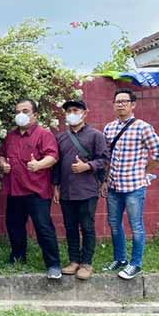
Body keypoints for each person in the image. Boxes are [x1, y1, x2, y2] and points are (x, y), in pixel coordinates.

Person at [103, 88, 159, 280]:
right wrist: (105, 180)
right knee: (114, 224)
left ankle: (135, 264)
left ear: (133, 105)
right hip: (113, 185)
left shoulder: (143, 127)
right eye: (117, 102)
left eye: (124, 101)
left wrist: (145, 171)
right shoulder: (109, 128)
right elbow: (106, 157)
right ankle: (120, 259)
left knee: (136, 225)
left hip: (134, 187)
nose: (120, 104)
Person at [0, 98, 62, 279]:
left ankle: (53, 264)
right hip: (14, 190)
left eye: (25, 111)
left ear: (35, 115)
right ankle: (18, 256)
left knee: (43, 227)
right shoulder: (11, 136)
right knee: (14, 225)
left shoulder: (43, 134)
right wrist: (3, 164)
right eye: (18, 111)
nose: (21, 115)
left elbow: (53, 156)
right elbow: (2, 155)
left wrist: (39, 164)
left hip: (37, 191)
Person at [53, 100, 109, 280]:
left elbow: (105, 160)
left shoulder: (95, 135)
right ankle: (74, 261)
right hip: (67, 191)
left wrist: (88, 166)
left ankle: (86, 263)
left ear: (85, 113)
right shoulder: (61, 137)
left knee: (86, 227)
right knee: (70, 227)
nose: (71, 113)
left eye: (75, 110)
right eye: (68, 111)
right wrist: (56, 186)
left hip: (87, 190)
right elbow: (57, 164)